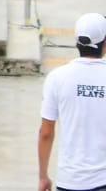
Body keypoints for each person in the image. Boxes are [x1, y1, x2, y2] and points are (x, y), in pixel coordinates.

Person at [38, 11, 106, 191]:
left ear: (76, 41)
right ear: (104, 43)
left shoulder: (57, 78)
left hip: (69, 180)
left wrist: (43, 176)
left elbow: (46, 133)